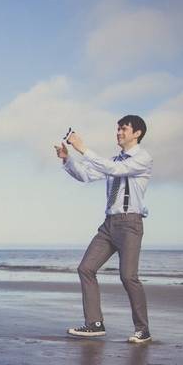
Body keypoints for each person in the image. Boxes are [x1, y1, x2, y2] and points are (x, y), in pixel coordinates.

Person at [56, 115, 153, 344]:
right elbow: (87, 175)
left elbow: (116, 170)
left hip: (130, 224)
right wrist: (68, 159)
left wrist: (83, 148)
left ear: (137, 133)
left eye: (124, 129)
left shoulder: (142, 158)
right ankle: (95, 324)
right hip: (109, 225)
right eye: (117, 128)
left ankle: (143, 329)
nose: (118, 132)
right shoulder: (114, 160)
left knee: (128, 277)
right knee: (86, 268)